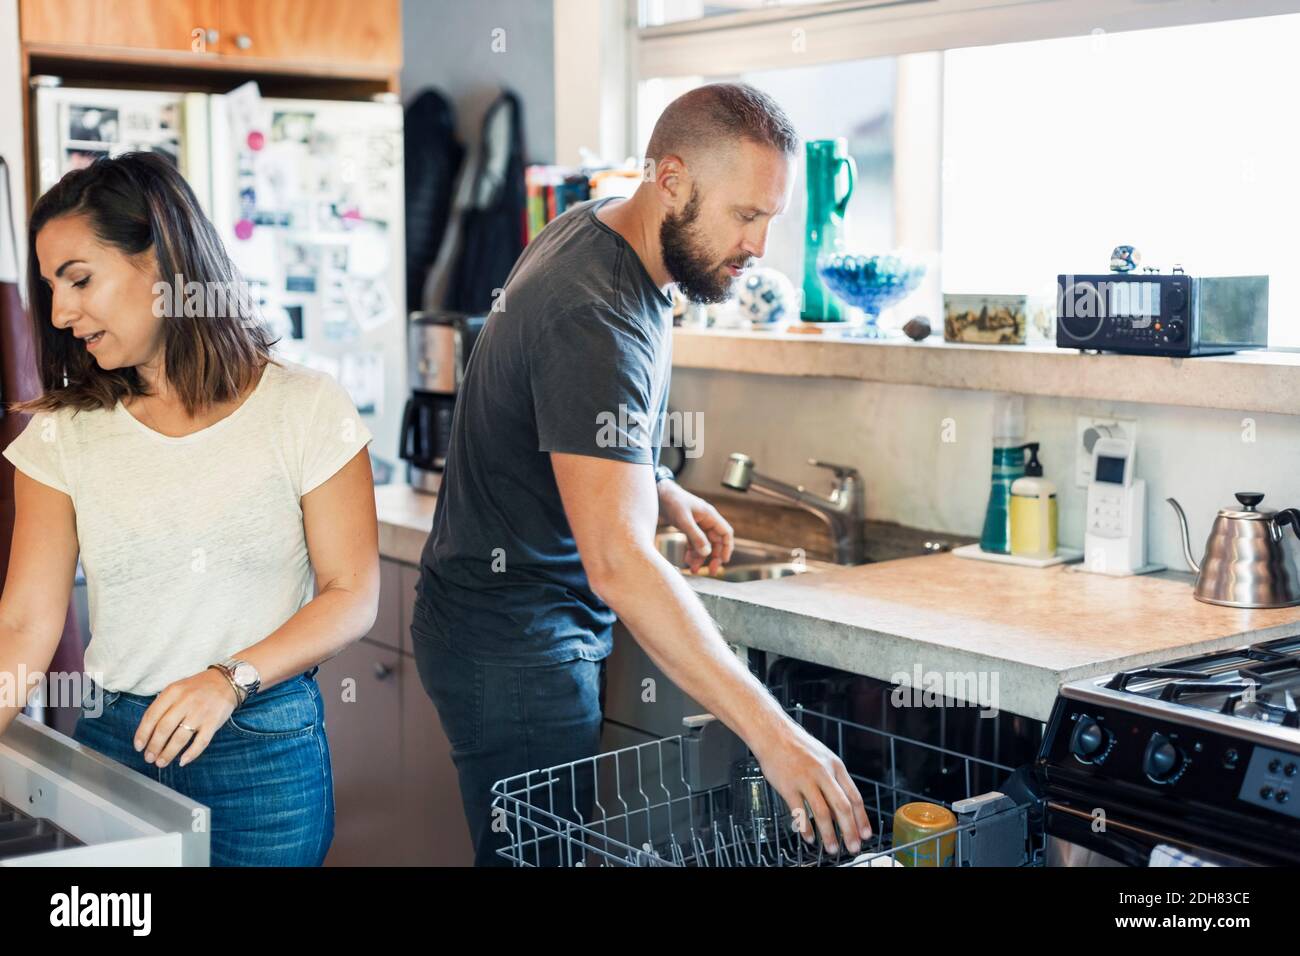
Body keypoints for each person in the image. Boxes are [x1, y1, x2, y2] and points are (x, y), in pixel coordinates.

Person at [412, 82, 872, 866]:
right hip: (516, 645)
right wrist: (775, 736)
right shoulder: (599, 313)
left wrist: (652, 482)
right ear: (671, 181)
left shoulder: (597, 228)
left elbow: (557, 412)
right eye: (746, 215)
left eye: (772, 219)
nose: (759, 247)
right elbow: (621, 563)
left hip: (494, 623)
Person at [0, 152, 379, 866]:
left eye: (80, 279)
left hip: (261, 749)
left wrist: (226, 681)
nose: (59, 312)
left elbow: (352, 594)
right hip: (114, 743)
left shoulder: (303, 407)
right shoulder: (63, 433)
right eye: (52, 287)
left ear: (163, 261)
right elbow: (23, 622)